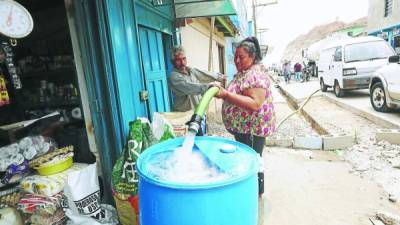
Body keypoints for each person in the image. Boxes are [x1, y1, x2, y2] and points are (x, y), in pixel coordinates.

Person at [212, 37, 276, 196]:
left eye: (241, 57)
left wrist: (226, 94)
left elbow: (255, 103)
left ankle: (255, 194)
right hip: (244, 128)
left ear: (252, 57)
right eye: (235, 57)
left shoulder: (255, 75)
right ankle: (251, 191)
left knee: (253, 161)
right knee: (247, 160)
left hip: (252, 129)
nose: (237, 60)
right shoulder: (244, 72)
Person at [168, 46, 226, 112]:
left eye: (184, 59)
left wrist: (218, 77)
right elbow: (189, 87)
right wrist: (208, 87)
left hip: (197, 111)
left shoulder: (190, 70)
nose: (182, 63)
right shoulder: (174, 76)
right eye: (178, 60)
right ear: (172, 62)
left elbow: (202, 74)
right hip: (183, 115)